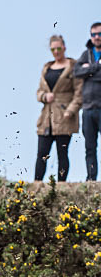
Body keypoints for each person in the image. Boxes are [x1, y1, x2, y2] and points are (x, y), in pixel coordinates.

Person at [34, 35, 82, 181]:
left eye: (58, 48)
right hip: (46, 117)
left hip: (64, 117)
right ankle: (36, 183)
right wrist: (44, 96)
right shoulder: (46, 68)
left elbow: (79, 94)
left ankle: (61, 184)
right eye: (53, 49)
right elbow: (39, 92)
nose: (56, 52)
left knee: (62, 152)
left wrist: (70, 111)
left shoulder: (74, 67)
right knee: (42, 152)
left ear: (64, 48)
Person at [74, 22, 101, 180]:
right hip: (88, 109)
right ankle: (91, 179)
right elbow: (77, 71)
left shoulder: (87, 59)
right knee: (90, 147)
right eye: (94, 34)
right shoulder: (86, 54)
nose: (97, 37)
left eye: (99, 34)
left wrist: (88, 70)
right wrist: (95, 67)